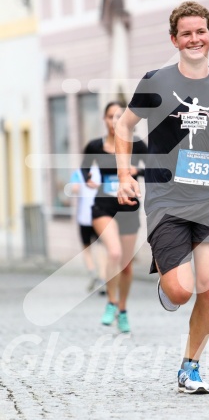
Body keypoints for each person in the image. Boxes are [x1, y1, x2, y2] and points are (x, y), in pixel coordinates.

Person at [115, 1, 209, 394]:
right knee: (181, 291)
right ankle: (168, 278)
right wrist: (125, 175)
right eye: (186, 33)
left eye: (201, 32)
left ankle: (191, 366)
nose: (195, 39)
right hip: (166, 198)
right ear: (174, 39)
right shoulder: (156, 81)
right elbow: (124, 127)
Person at [81, 102, 148, 333]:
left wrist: (136, 171)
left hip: (128, 207)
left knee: (126, 267)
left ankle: (123, 309)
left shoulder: (137, 145)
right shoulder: (94, 146)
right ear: (104, 119)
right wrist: (88, 179)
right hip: (102, 207)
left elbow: (154, 167)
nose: (114, 121)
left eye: (119, 116)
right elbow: (84, 168)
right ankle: (110, 301)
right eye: (110, 116)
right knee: (115, 252)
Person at [70, 165, 106, 292]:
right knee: (101, 247)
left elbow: (74, 189)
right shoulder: (102, 171)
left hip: (84, 217)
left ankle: (93, 273)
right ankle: (102, 278)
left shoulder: (78, 173)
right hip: (99, 215)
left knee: (87, 248)